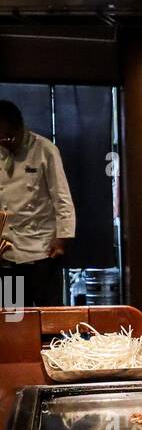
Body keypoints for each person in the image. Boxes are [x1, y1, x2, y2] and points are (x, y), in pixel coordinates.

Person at [0, 100, 76, 308]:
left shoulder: (44, 149)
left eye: (8, 137)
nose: (4, 142)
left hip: (41, 250)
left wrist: (62, 238)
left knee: (48, 317)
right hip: (6, 253)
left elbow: (62, 197)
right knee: (12, 317)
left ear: (20, 127)